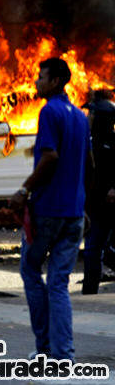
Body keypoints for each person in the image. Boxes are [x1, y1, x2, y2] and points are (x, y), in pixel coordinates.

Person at [8, 57, 93, 361]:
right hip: (73, 213)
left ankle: (44, 348)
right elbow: (89, 165)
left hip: (47, 211)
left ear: (55, 81)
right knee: (59, 283)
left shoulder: (49, 112)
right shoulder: (81, 118)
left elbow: (51, 157)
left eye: (41, 77)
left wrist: (24, 190)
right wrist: (84, 206)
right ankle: (63, 355)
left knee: (31, 270)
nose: (36, 81)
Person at [81, 89, 115, 294]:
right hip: (95, 206)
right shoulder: (89, 141)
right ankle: (89, 290)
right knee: (92, 249)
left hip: (110, 206)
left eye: (92, 114)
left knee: (105, 250)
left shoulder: (111, 142)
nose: (89, 117)